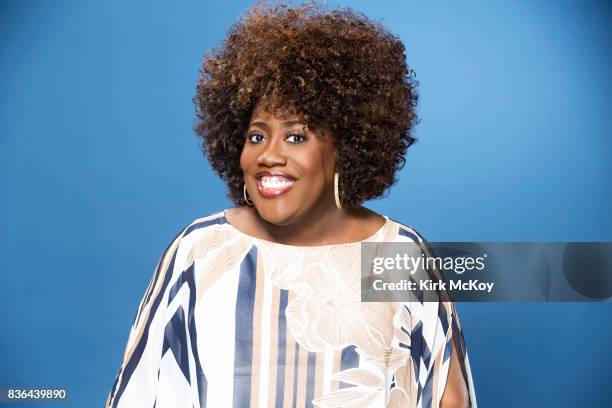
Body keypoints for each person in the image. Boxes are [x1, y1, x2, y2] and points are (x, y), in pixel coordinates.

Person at [105, 1, 477, 407]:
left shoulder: (398, 255)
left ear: (344, 149)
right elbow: (140, 392)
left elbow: (448, 398)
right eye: (257, 136)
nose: (269, 155)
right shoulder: (199, 252)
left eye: (296, 137)